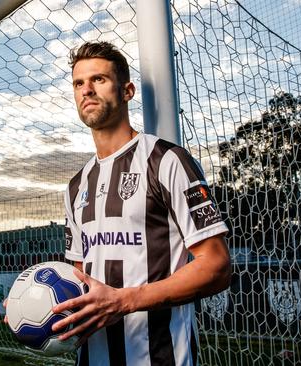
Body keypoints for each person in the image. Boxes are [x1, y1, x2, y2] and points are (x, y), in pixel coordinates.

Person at [54, 41, 231, 366]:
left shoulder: (168, 161)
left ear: (127, 90)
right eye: (79, 83)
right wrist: (34, 305)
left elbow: (217, 266)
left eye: (99, 80)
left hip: (160, 357)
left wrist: (124, 300)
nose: (87, 90)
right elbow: (79, 277)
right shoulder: (76, 186)